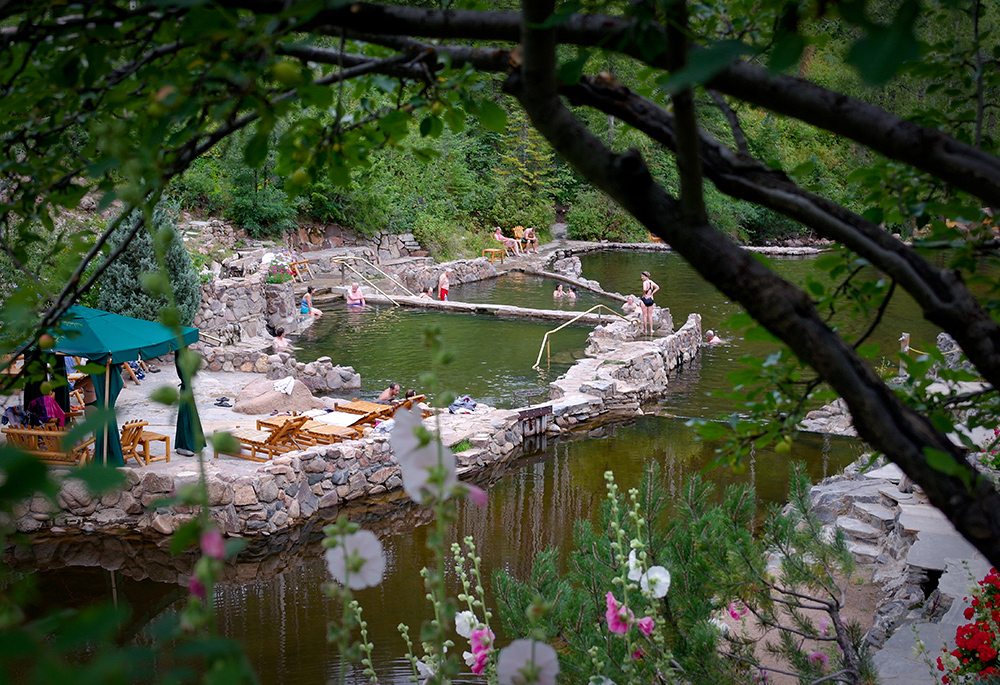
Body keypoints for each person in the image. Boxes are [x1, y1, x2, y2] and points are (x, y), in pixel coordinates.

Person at [639, 271, 660, 335]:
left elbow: (644, 289)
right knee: (650, 315)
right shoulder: (651, 282)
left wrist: (644, 292)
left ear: (646, 276)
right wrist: (652, 293)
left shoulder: (645, 282)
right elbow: (657, 287)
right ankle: (651, 329)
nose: (642, 278)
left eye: (643, 276)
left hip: (645, 299)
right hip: (651, 299)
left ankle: (645, 330)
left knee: (644, 315)